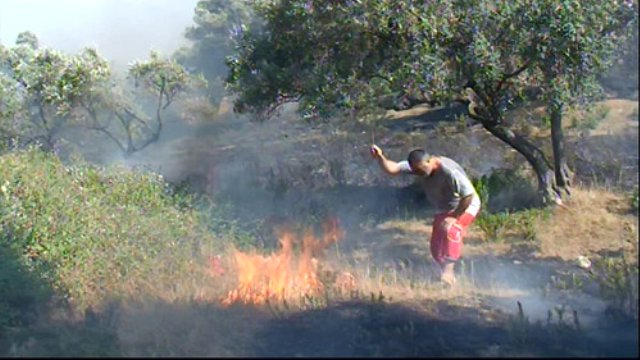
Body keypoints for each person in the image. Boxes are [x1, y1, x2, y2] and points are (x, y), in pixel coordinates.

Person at [369, 144, 481, 285]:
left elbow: (468, 195)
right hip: (444, 208)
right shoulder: (417, 166)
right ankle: (448, 278)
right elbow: (393, 169)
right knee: (436, 248)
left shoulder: (449, 171)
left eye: (421, 170)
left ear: (429, 161)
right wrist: (380, 157)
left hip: (466, 205)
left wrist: (454, 217)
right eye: (415, 171)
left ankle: (448, 272)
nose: (418, 174)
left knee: (451, 230)